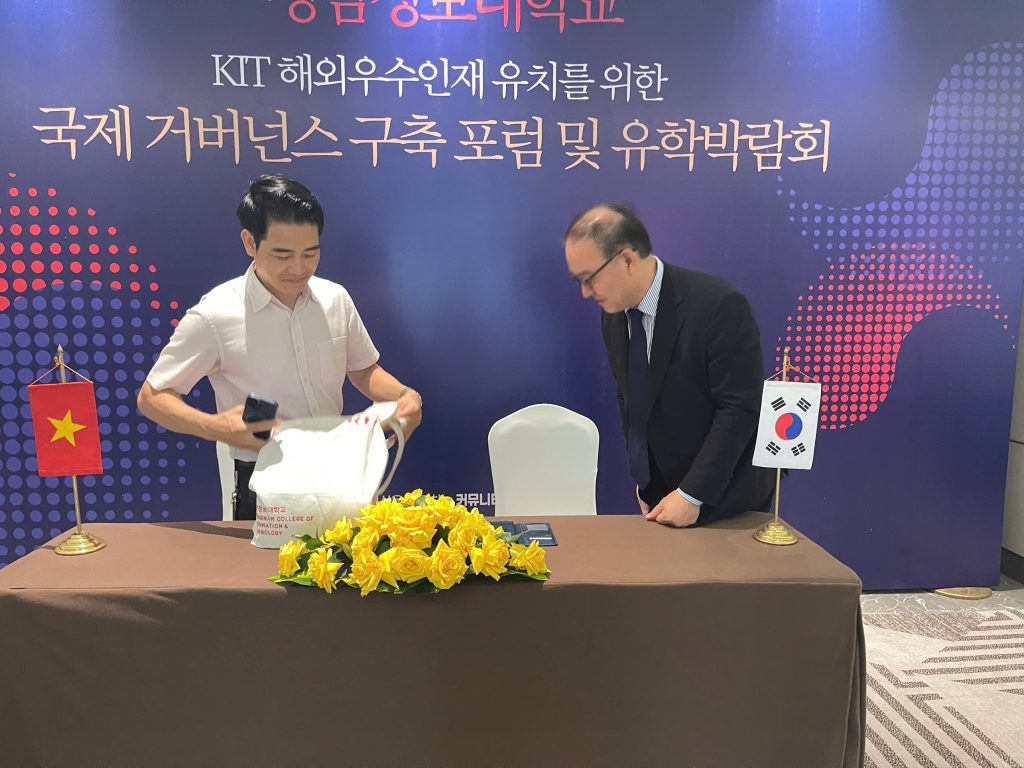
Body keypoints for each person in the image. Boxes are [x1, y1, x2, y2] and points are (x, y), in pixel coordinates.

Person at [137, 174, 422, 519]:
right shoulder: (215, 314)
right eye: (282, 255)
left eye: (310, 253)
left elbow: (362, 370)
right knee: (263, 559)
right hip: (265, 481)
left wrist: (404, 396)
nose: (299, 268)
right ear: (250, 242)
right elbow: (152, 397)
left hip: (339, 470)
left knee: (347, 554)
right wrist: (215, 426)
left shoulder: (335, 298)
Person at [563, 203, 772, 527]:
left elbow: (739, 408)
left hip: (724, 494)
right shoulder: (614, 315)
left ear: (627, 259)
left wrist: (692, 494)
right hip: (663, 493)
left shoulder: (718, 305)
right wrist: (644, 476)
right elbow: (630, 397)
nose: (585, 293)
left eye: (589, 279)